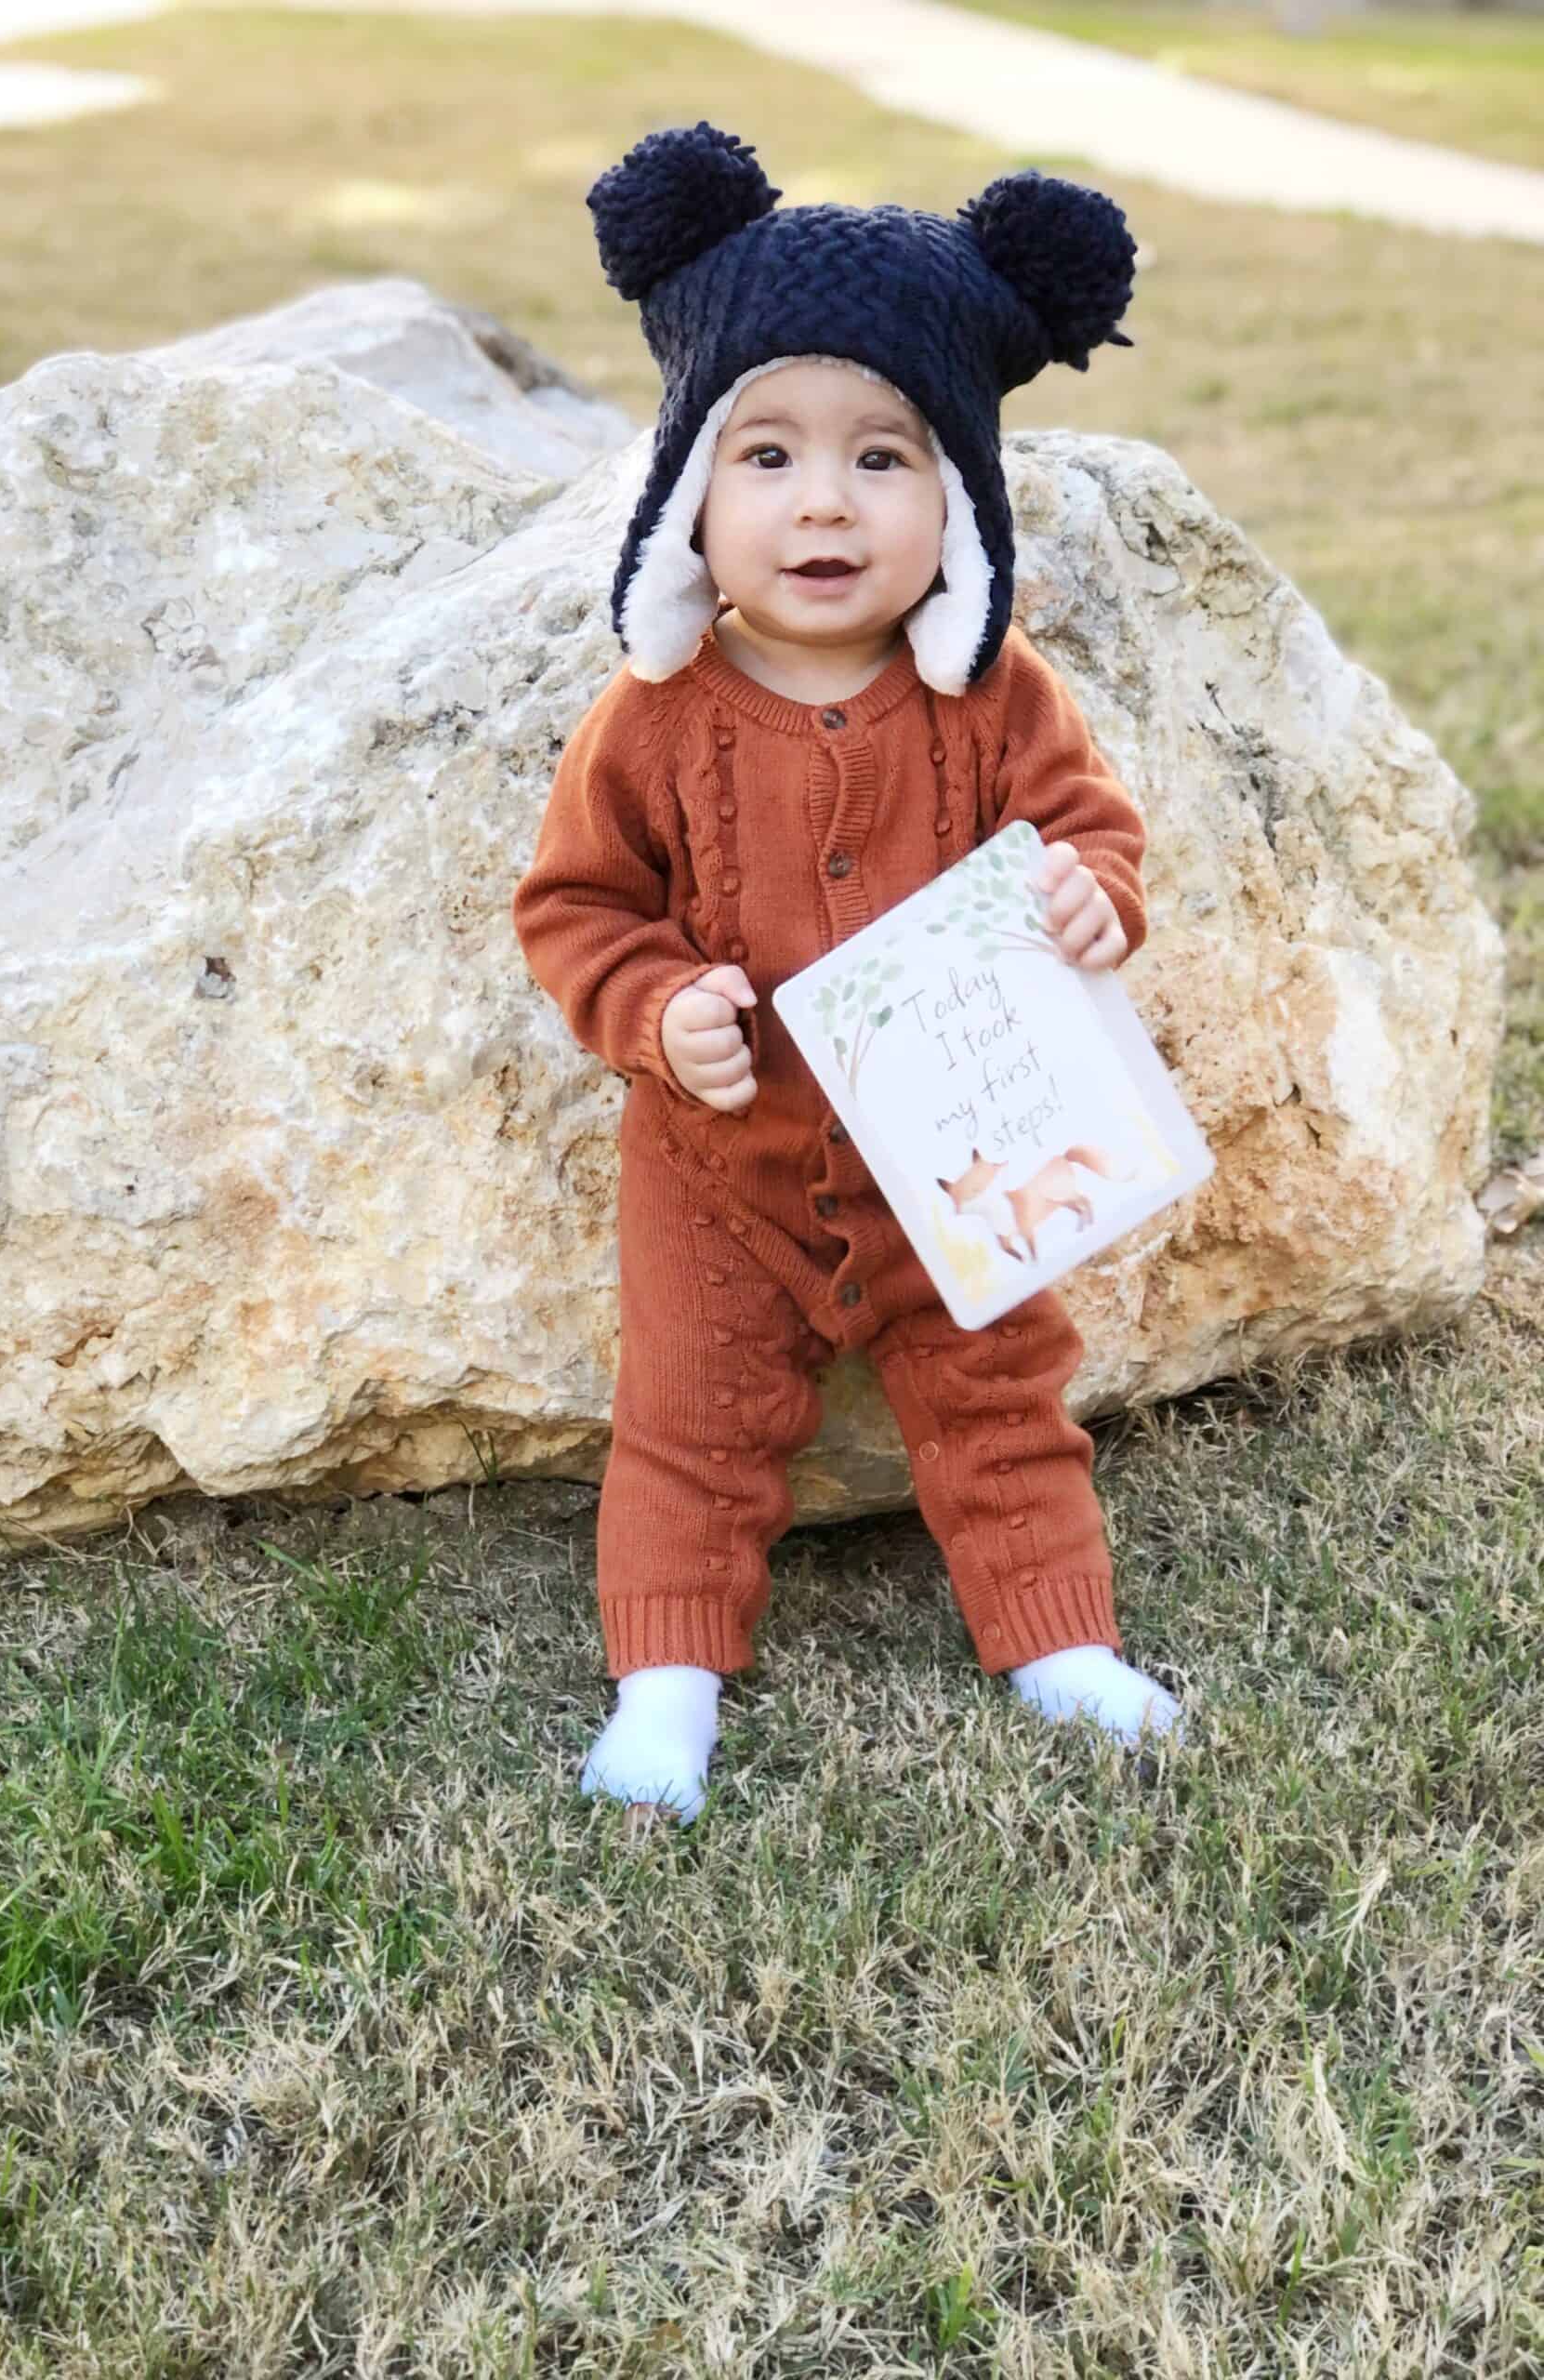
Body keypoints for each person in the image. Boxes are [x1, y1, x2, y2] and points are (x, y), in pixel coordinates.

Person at [511, 123, 1184, 1832]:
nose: (826, 500)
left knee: (1003, 1398)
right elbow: (575, 909)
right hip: (718, 1169)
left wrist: (1094, 900)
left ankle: (1054, 1640)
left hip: (962, 1153)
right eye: (769, 455)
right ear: (688, 497)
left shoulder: (993, 697)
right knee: (689, 1422)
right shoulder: (652, 723)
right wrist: (662, 1011)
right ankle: (668, 1681)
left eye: (886, 456)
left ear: (957, 499)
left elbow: (1084, 828)